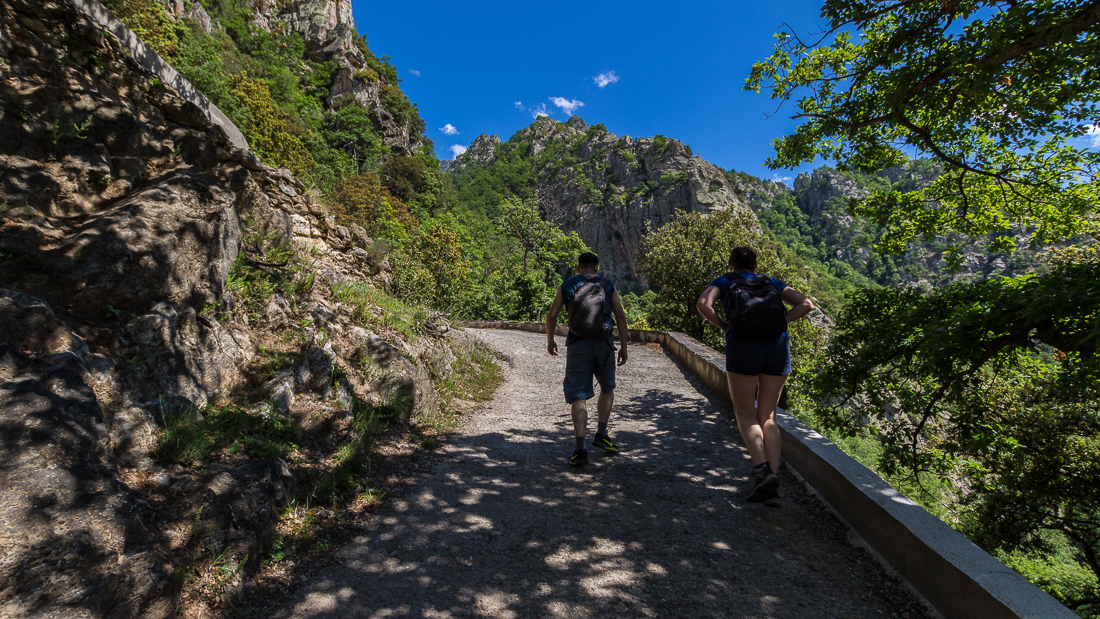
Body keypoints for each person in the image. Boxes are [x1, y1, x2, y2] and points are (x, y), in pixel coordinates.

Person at [696, 246, 814, 506]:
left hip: (743, 346)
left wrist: (725, 326)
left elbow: (703, 304)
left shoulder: (725, 281)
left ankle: (762, 471)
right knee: (769, 417)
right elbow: (807, 304)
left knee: (745, 412)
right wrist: (779, 322)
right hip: (777, 346)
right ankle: (772, 489)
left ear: (732, 266)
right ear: (756, 265)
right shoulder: (771, 282)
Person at [546, 252, 629, 466]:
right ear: (596, 268)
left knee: (579, 396)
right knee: (607, 388)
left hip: (577, 344)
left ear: (578, 268)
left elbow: (552, 315)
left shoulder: (567, 285)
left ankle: (581, 449)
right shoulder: (607, 284)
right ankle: (601, 434)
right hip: (604, 344)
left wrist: (551, 340)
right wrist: (624, 347)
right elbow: (620, 316)